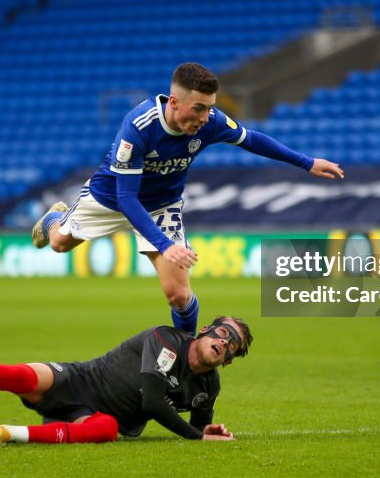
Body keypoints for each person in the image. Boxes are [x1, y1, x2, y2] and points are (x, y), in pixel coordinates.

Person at [31, 63, 344, 333]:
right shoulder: (139, 127)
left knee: (178, 295)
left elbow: (252, 139)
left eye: (210, 108)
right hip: (111, 196)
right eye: (199, 108)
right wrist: (166, 247)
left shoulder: (211, 122)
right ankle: (54, 218)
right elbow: (127, 199)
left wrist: (307, 162)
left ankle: (184, 362)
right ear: (174, 102)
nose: (206, 117)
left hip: (162, 204)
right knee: (58, 244)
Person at [0, 315, 253, 445]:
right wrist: (195, 437)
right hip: (81, 380)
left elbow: (200, 428)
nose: (224, 342)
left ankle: (4, 432)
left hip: (92, 419)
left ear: (231, 359)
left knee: (107, 429)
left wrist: (207, 433)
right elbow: (153, 403)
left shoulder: (209, 387)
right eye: (222, 332)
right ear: (205, 330)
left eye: (232, 344)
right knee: (18, 375)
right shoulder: (165, 339)